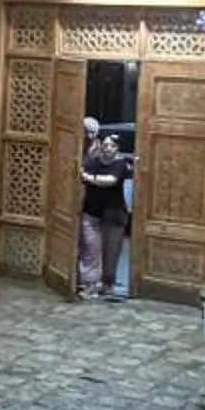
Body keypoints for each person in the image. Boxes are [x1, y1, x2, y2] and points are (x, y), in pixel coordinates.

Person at [79, 120, 131, 297]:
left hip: (113, 214)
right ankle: (90, 284)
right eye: (106, 144)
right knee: (91, 250)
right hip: (92, 212)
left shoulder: (120, 164)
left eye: (112, 145)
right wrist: (88, 175)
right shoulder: (92, 162)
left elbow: (111, 181)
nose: (108, 148)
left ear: (117, 148)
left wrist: (89, 177)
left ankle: (108, 284)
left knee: (111, 250)